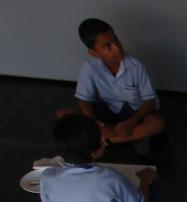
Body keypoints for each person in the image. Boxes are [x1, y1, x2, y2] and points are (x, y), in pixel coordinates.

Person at [56, 18, 164, 152]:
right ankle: (125, 137)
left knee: (156, 124)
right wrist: (97, 123)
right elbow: (84, 100)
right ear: (94, 53)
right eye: (108, 46)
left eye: (116, 40)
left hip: (136, 112)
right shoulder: (90, 66)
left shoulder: (135, 65)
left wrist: (130, 123)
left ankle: (105, 141)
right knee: (63, 114)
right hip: (109, 109)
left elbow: (150, 102)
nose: (117, 48)